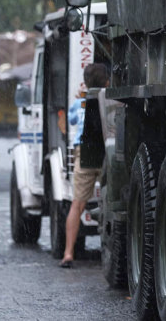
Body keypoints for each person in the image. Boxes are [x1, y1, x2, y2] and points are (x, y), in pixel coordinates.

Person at [59, 62, 109, 268]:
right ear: (107, 80)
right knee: (109, 203)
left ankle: (68, 253)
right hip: (106, 151)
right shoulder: (109, 98)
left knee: (77, 204)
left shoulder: (81, 102)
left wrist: (80, 97)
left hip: (84, 152)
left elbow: (71, 121)